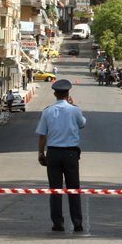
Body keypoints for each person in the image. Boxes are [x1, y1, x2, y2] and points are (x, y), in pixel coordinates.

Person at [36, 79, 86, 232]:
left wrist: (41, 153)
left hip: (54, 153)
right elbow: (82, 124)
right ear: (68, 93)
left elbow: (42, 136)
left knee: (55, 189)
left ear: (54, 94)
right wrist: (74, 105)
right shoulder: (74, 110)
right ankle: (77, 223)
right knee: (73, 188)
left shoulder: (48, 111)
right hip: (70, 153)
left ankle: (58, 223)